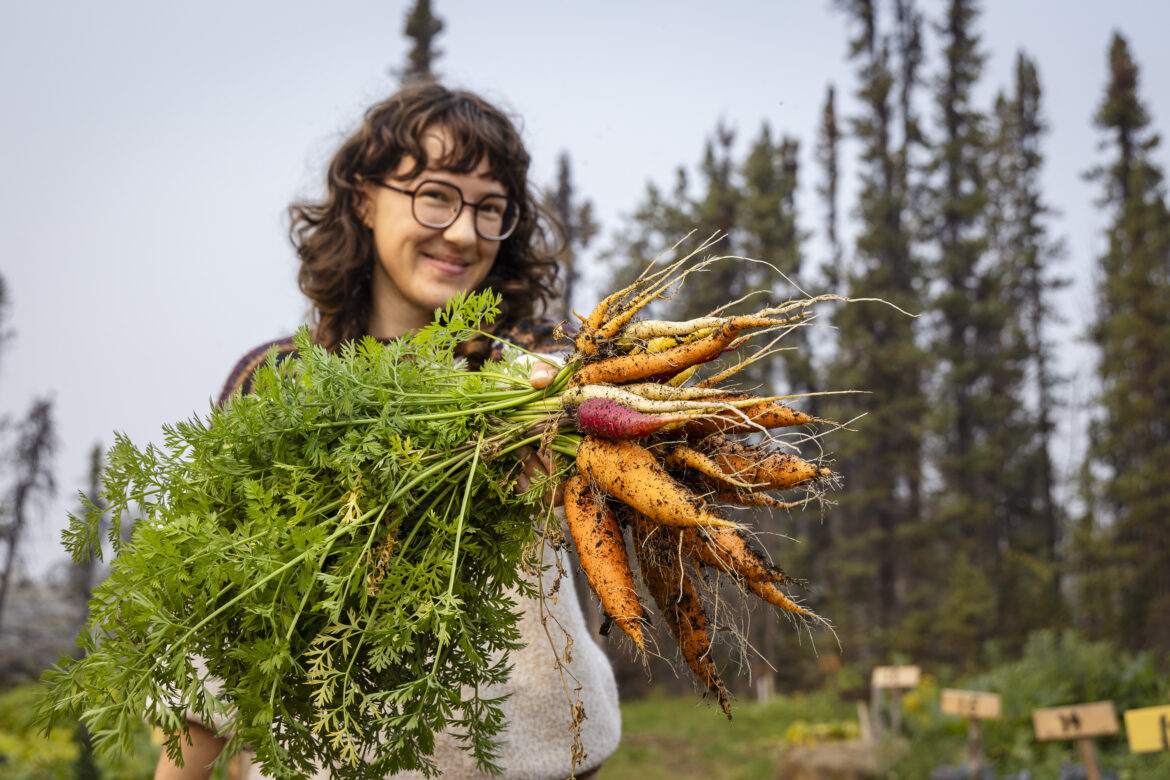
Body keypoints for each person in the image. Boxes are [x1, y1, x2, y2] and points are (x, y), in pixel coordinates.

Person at [154, 84, 621, 780]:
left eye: (490, 207)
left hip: (538, 763)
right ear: (365, 198)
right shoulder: (279, 387)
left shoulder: (538, 364)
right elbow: (216, 637)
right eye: (435, 195)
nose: (463, 232)